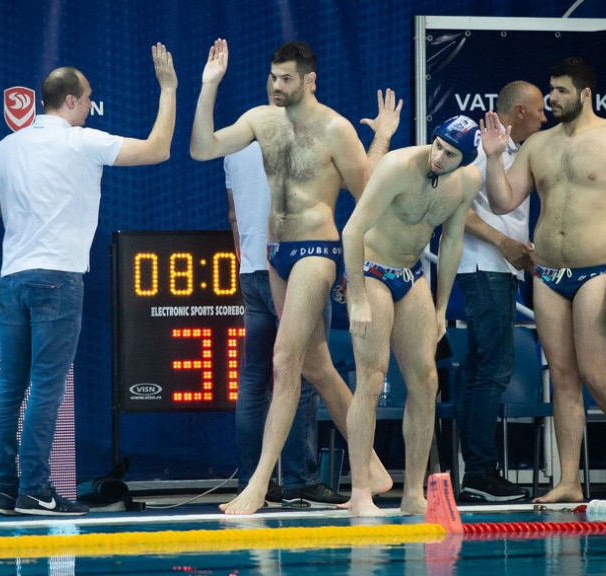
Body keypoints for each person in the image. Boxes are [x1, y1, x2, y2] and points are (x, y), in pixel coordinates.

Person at [191, 39, 401, 515]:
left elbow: (368, 199)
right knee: (316, 368)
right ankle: (372, 465)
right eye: (272, 76)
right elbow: (202, 148)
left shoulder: (335, 129)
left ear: (310, 80)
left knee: (284, 363)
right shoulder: (261, 121)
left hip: (316, 252)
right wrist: (208, 87)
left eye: (286, 78)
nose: (277, 85)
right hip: (277, 254)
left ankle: (258, 485)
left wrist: (358, 273)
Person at [0, 43, 177, 516]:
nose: (89, 106)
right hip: (57, 279)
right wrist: (168, 89)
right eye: (87, 99)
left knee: (10, 385)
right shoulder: (81, 141)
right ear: (70, 101)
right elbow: (159, 149)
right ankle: (36, 489)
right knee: (46, 385)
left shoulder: (4, 147)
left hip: (12, 280)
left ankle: (6, 490)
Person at [482, 57, 606, 503]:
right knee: (564, 376)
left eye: (560, 91)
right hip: (549, 273)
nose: (551, 99)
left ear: (585, 94)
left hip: (601, 270)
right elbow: (501, 202)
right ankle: (569, 479)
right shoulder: (538, 145)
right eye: (550, 90)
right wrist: (495, 159)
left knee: (595, 370)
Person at [341, 115, 482, 516]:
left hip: (411, 274)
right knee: (372, 376)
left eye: (450, 153)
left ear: (466, 159)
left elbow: (452, 241)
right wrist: (356, 298)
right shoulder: (398, 167)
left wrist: (441, 307)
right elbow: (352, 231)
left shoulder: (466, 182)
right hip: (370, 269)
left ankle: (413, 493)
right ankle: (361, 493)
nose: (438, 156)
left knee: (426, 380)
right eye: (437, 145)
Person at [225, 81, 346, 508]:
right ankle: (297, 480)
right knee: (305, 374)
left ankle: (252, 481)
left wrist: (245, 264)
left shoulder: (235, 142)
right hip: (292, 265)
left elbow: (234, 215)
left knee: (256, 379)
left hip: (254, 267)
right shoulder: (295, 135)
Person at [455, 81, 546, 503]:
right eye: (540, 110)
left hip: (499, 273)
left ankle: (476, 471)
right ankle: (479, 472)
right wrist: (504, 244)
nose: (545, 117)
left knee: (480, 372)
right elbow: (455, 211)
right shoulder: (480, 144)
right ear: (521, 112)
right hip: (485, 270)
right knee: (491, 371)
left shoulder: (517, 152)